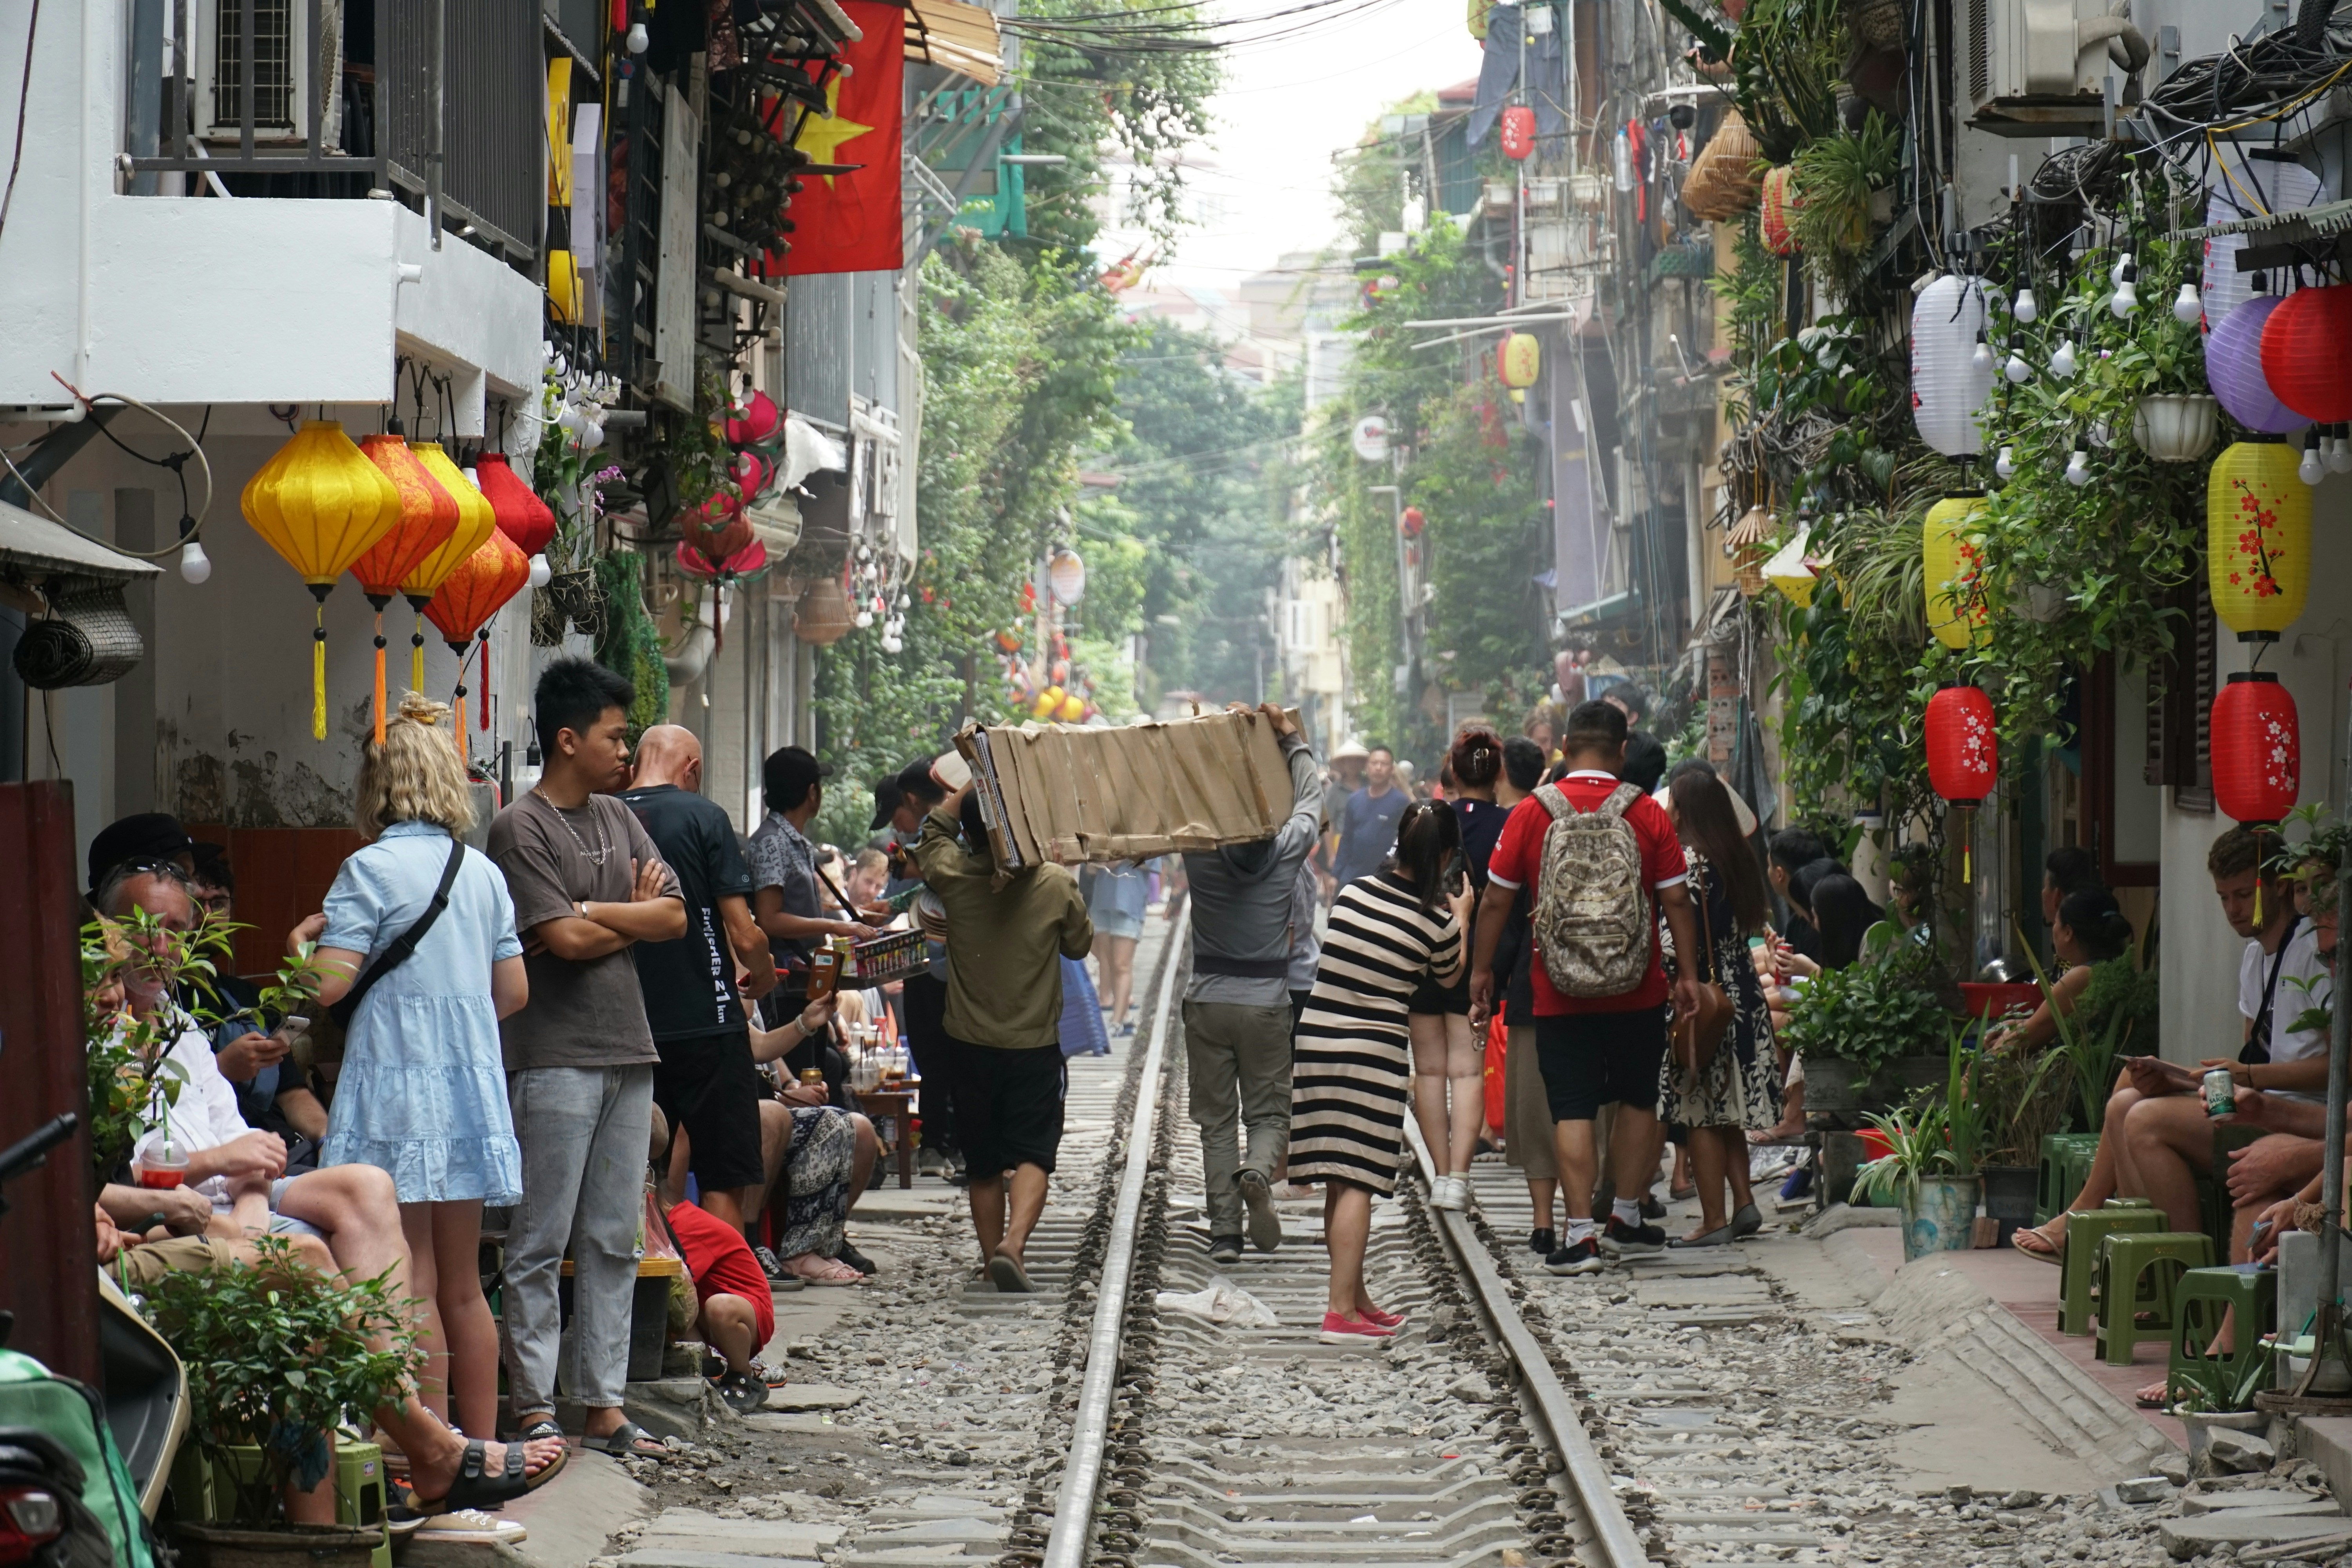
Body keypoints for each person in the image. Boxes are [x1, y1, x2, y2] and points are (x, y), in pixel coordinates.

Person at [285, 693, 527, 1439]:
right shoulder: (480, 872)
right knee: (464, 1284)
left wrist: (297, 949)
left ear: (377, 785)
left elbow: (326, 986)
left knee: (409, 1276)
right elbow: (513, 994)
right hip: (467, 1089)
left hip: (395, 1086)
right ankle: (483, 1448)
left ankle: (423, 1448)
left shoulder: (368, 869)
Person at [490, 657, 686, 1462]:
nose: (625, 751)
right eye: (613, 736)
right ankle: (536, 1404)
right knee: (539, 1238)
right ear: (567, 739)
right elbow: (561, 945)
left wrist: (594, 910)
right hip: (554, 1055)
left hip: (626, 1048)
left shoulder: (618, 815)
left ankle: (602, 1403)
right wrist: (625, 915)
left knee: (612, 1236)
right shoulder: (519, 828)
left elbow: (675, 916)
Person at [93, 1205, 566, 1517]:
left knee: (313, 1301)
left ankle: (320, 1544)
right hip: (96, 1273)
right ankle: (432, 1449)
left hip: (130, 1239)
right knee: (306, 1262)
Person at [1466, 699, 1705, 1276]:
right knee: (1639, 1099)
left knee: (1571, 1106)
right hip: (1638, 986)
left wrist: (1480, 972)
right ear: (1623, 752)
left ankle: (1579, 1234)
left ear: (1565, 749)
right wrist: (1690, 977)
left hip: (1559, 988)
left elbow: (1498, 898)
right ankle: (1624, 1211)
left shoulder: (1532, 813)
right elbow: (1676, 898)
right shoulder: (1647, 813)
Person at [1290, 801, 1473, 1343]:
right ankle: (1339, 1313)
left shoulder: (1353, 894)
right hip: (1370, 1052)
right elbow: (1447, 976)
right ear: (1444, 856)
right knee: (1361, 1181)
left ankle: (1354, 1296)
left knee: (1339, 1176)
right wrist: (1461, 916)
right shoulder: (1436, 924)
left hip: (1318, 1040)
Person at [911, 782, 1094, 1291]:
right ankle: (1014, 1245)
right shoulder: (1055, 883)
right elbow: (1080, 946)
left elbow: (931, 833)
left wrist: (972, 781)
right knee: (1034, 1154)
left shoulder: (952, 875)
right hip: (1033, 1046)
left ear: (972, 830)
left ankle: (993, 1257)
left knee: (984, 1162)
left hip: (969, 1046)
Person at [2115, 830, 2326, 1244]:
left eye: (2244, 895)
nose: (2233, 910)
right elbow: (2252, 1060)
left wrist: (2247, 1076)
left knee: (2144, 1121)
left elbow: (2336, 1070)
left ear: (2279, 887)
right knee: (2126, 1094)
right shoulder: (2253, 958)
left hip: (2298, 1116)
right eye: (2224, 897)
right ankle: (2144, 1263)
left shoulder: (2315, 950)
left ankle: (2184, 1265)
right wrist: (2180, 1079)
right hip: (2255, 1102)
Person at [620, 725, 780, 1247]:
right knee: (722, 1176)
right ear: (691, 769)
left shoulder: (602, 816)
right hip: (708, 1022)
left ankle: (647, 1303)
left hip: (629, 1025)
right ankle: (721, 1295)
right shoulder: (704, 817)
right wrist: (763, 970)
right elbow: (742, 930)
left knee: (632, 1173)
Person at [1180, 704, 1321, 1264]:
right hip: (1266, 1001)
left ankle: (1225, 1235)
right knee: (1268, 1113)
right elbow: (1311, 800)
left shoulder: (1198, 851)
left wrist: (1205, 739)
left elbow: (1182, 792)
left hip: (1208, 999)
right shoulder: (1286, 850)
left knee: (1215, 1122)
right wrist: (1290, 741)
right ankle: (1259, 1172)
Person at [1655, 768, 1780, 1247]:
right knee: (1728, 1108)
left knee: (1700, 1107)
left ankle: (1713, 1218)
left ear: (1684, 811)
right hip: (1740, 993)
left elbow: (1675, 939)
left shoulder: (1688, 864)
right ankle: (1744, 1202)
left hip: (1700, 998)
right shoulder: (1735, 858)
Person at [1416, 726, 1509, 1212]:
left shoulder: (1430, 820)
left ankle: (1438, 1175)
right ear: (1499, 773)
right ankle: (1458, 1176)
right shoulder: (1512, 823)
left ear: (1451, 771)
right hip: (1478, 964)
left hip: (1422, 960)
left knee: (1429, 1071)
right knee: (1467, 1074)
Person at [191, 843, 330, 1147]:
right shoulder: (161, 1002)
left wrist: (327, 1140)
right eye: (196, 905)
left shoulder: (251, 998)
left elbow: (292, 1092)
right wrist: (222, 1067)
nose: (208, 917)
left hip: (285, 1149)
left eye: (220, 904)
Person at [650, 1109, 781, 1414]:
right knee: (681, 1304)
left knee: (701, 1300)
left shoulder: (687, 1225)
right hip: (711, 1311)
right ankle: (704, 1362)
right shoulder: (671, 1222)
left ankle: (743, 1376)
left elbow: (678, 1282)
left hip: (745, 1314)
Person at [748, 746, 880, 1018]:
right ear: (811, 793)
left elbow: (794, 905)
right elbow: (769, 919)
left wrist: (855, 918)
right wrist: (835, 925)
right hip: (785, 987)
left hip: (806, 981)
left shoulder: (791, 840)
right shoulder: (772, 841)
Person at [1490, 737, 1557, 1256]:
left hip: (1535, 984)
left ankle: (1543, 1222)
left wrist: (1482, 978)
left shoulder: (1526, 824)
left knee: (1537, 1108)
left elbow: (1501, 907)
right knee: (1588, 1108)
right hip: (1615, 987)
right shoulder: (1631, 816)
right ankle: (1593, 1213)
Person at [880, 759, 960, 1178]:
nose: (899, 829)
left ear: (911, 800)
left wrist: (889, 904)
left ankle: (941, 1145)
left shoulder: (941, 833)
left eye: (898, 817)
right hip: (944, 963)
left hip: (945, 964)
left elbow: (937, 878)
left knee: (939, 1055)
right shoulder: (954, 829)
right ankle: (946, 1145)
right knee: (944, 1055)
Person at [1089, 859, 1153, 1038]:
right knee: (1106, 959)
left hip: (1129, 900)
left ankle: (1116, 1022)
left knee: (1121, 964)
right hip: (1102, 899)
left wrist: (1121, 857)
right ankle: (1125, 1017)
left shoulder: (1144, 833)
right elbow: (1091, 869)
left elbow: (1152, 862)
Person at [1331, 744, 1408, 889]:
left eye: (1384, 764)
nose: (1378, 768)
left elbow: (1404, 843)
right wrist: (1336, 875)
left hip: (1384, 879)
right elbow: (1346, 839)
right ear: (1367, 767)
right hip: (1353, 876)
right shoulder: (1355, 800)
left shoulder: (1401, 803)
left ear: (1392, 770)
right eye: (1374, 763)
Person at [1766, 830, 1831, 964]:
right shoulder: (1798, 921)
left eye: (1769, 866)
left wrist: (1775, 970)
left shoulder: (1816, 928)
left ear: (1780, 875)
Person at [1602, 688, 1668, 794]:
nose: (1604, 713)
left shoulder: (1644, 751)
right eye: (1602, 706)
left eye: (1614, 707)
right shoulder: (1596, 750)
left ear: (1632, 717)